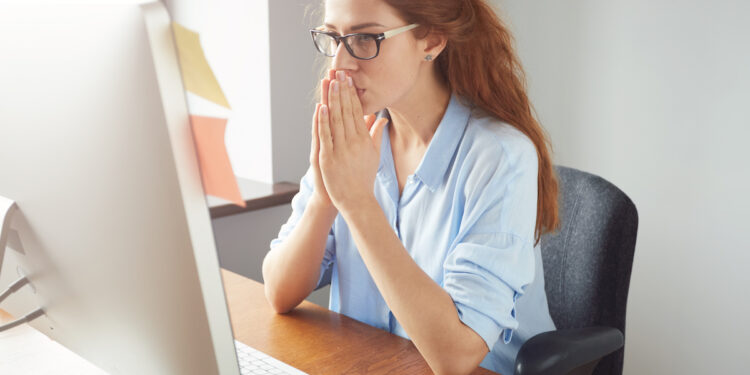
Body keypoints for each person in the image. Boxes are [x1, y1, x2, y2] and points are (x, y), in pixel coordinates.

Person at [262, 0, 561, 373]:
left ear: (432, 41)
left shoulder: (501, 157)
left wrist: (357, 204)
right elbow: (279, 291)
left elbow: (456, 357)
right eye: (335, 38)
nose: (340, 63)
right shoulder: (353, 138)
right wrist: (325, 197)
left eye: (366, 38)